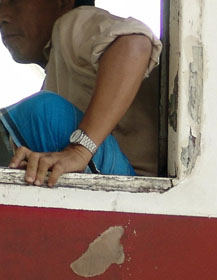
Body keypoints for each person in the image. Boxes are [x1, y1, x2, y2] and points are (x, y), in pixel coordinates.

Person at [0, 0, 162, 185]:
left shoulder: (71, 23)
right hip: (113, 185)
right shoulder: (56, 72)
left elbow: (135, 44)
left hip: (136, 185)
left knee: (42, 112)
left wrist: (80, 150)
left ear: (62, 3)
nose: (2, 17)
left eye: (14, 2)